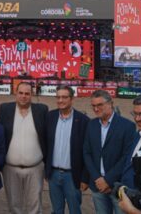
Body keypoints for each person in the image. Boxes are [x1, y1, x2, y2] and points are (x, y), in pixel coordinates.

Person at [0, 82, 48, 214]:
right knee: (14, 206)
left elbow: (48, 137)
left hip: (35, 168)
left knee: (35, 207)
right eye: (21, 93)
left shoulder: (42, 110)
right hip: (10, 168)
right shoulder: (5, 109)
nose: (23, 96)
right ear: (15, 92)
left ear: (32, 95)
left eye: (27, 93)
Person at [83, 89, 135, 214]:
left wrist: (107, 180)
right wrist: (97, 178)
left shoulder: (127, 126)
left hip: (118, 185)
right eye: (93, 106)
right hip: (97, 185)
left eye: (99, 105)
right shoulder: (92, 124)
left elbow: (127, 157)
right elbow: (87, 152)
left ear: (111, 103)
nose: (96, 109)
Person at [45, 85, 90, 214]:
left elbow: (87, 152)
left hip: (73, 176)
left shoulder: (83, 120)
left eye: (64, 97)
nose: (60, 100)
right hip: (53, 175)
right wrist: (47, 170)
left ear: (72, 99)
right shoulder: (50, 117)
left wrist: (85, 178)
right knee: (57, 210)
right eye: (58, 97)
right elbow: (46, 145)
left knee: (75, 210)